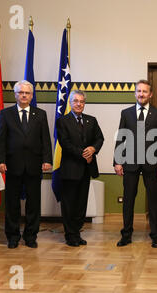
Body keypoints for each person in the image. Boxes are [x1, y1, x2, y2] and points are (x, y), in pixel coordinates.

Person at [0, 80, 52, 249]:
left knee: (33, 203)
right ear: (15, 95)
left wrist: (47, 159)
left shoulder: (40, 114)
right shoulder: (5, 114)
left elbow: (46, 140)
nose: (24, 95)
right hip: (12, 165)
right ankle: (12, 236)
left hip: (34, 165)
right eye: (21, 92)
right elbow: (0, 140)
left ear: (32, 95)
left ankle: (30, 236)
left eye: (27, 93)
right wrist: (0, 161)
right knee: (12, 203)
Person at [114, 80, 157, 248]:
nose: (141, 94)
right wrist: (117, 161)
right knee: (128, 200)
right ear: (135, 93)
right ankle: (126, 235)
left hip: (152, 164)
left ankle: (155, 235)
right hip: (129, 163)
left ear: (150, 94)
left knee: (153, 200)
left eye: (145, 91)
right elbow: (121, 138)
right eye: (139, 91)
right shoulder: (126, 113)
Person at [56, 90, 104, 247]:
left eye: (82, 101)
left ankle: (77, 232)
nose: (79, 104)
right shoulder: (62, 121)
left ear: (84, 103)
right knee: (69, 204)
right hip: (70, 170)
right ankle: (70, 235)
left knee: (81, 204)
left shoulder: (92, 120)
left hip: (86, 170)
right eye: (75, 101)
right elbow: (65, 143)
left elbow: (99, 138)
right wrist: (84, 153)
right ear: (70, 103)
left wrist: (93, 149)